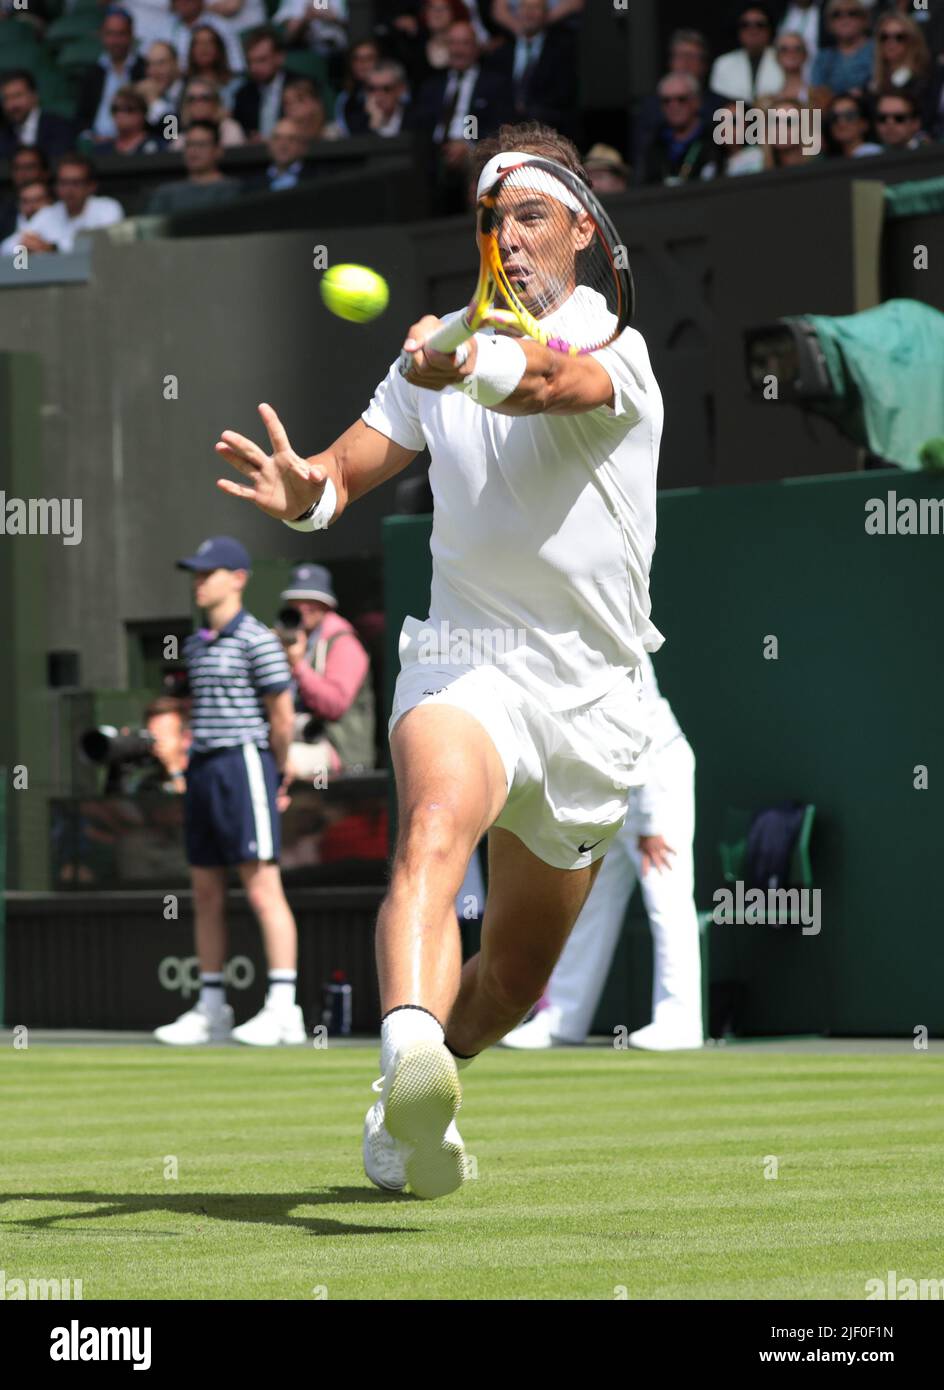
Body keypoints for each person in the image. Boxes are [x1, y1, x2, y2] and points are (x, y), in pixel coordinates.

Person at [213, 119, 664, 1199]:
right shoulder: (430, 351)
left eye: (531, 216)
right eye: (491, 219)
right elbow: (339, 474)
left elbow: (542, 387)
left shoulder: (618, 353)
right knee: (428, 831)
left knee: (507, 980)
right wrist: (303, 492)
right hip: (464, 658)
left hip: (595, 700)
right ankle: (404, 1050)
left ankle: (425, 1088)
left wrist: (467, 360)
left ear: (584, 232)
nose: (508, 238)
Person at [501, 653, 703, 1051]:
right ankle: (562, 1019)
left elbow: (639, 729)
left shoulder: (619, 641)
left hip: (658, 782)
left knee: (667, 902)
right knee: (589, 904)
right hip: (608, 788)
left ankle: (680, 1020)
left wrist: (651, 821)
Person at [154, 535, 306, 1047]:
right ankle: (212, 1005)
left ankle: (285, 1007)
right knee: (204, 891)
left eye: (208, 573)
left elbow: (281, 718)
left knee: (263, 887)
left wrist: (277, 771)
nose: (199, 582)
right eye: (195, 574)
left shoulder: (259, 641)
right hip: (204, 769)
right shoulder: (196, 644)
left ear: (238, 578)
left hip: (246, 765)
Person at [276, 563, 375, 784]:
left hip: (340, 752)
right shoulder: (291, 639)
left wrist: (298, 666)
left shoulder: (344, 643)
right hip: (299, 736)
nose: (303, 608)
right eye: (296, 601)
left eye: (312, 602)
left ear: (327, 605)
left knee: (279, 762)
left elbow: (334, 705)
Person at [409, 18, 514, 211]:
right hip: (434, 153)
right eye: (453, 43)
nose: (458, 50)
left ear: (476, 48)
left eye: (464, 43)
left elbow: (499, 127)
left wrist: (467, 143)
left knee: (478, 165)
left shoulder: (493, 84)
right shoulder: (432, 87)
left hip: (472, 151)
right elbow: (419, 126)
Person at [633, 29, 726, 175]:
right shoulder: (650, 110)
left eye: (693, 57)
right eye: (681, 56)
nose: (686, 63)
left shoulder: (721, 108)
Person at [489, 0, 578, 135]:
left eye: (536, 8)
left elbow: (563, 97)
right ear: (517, 13)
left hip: (547, 131)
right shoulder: (501, 53)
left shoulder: (562, 50)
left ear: (546, 14)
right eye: (525, 7)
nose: (529, 12)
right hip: (504, 130)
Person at [14, 154, 124, 254]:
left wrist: (53, 249)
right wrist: (27, 246)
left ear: (91, 186)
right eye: (64, 183)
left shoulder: (108, 208)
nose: (69, 190)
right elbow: (13, 246)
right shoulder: (47, 213)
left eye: (76, 183)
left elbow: (106, 246)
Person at [76, 7, 148, 142]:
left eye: (121, 34)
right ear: (102, 35)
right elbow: (81, 117)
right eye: (110, 34)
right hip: (97, 144)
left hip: (136, 144)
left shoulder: (144, 69)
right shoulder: (92, 73)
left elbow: (163, 118)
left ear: (131, 35)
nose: (115, 41)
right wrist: (90, 137)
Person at [640, 74, 718, 186]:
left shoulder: (714, 141)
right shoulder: (653, 144)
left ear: (696, 102)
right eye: (666, 100)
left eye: (681, 99)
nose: (673, 105)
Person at [147, 119, 240, 213]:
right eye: (189, 145)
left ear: (218, 150)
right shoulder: (166, 195)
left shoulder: (235, 191)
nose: (193, 151)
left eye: (201, 145)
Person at [709, 6, 785, 101]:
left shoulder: (784, 58)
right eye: (745, 25)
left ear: (770, 30)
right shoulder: (723, 63)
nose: (753, 30)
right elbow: (718, 102)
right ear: (738, 31)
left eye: (760, 25)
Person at [0, 70, 77, 162]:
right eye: (6, 98)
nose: (12, 105)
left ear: (34, 96)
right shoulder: (4, 131)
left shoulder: (59, 126)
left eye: (17, 96)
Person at [233, 26, 290, 139]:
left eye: (261, 60)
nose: (254, 68)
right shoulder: (243, 95)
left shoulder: (301, 86)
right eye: (250, 62)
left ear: (280, 57)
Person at [811, 0, 875, 96]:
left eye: (852, 13)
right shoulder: (823, 58)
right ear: (829, 24)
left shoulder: (878, 50)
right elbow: (817, 98)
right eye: (836, 15)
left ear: (865, 20)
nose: (845, 19)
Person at [869, 11, 931, 102]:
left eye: (899, 37)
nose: (890, 43)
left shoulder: (925, 80)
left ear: (912, 40)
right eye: (884, 37)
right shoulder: (875, 80)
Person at [173, 79, 246, 146]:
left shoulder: (230, 129)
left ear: (216, 102)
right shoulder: (182, 138)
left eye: (204, 98)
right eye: (192, 99)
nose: (198, 104)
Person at [242, 117, 309, 190]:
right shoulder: (252, 185)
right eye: (277, 138)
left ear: (303, 146)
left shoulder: (316, 180)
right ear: (269, 145)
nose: (283, 145)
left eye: (291, 139)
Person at [0, 145, 50, 241]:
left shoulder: (61, 208)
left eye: (29, 167)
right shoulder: (4, 212)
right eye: (17, 168)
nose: (23, 174)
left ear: (45, 172)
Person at [332, 38, 381, 137]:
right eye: (357, 59)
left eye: (369, 58)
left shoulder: (393, 90)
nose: (363, 63)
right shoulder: (345, 98)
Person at [95, 85, 164, 154]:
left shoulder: (158, 147)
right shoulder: (101, 151)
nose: (120, 114)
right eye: (115, 109)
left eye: (128, 109)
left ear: (142, 113)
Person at [136, 39, 186, 128]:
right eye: (149, 65)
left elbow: (171, 134)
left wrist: (155, 102)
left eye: (161, 63)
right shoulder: (142, 93)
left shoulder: (190, 91)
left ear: (176, 64)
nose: (154, 71)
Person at [0, 178, 55, 256]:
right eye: (26, 201)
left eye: (37, 200)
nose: (31, 206)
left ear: (49, 200)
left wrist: (49, 248)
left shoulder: (57, 217)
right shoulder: (9, 225)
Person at [362, 60, 411, 137]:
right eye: (372, 89)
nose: (378, 94)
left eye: (386, 88)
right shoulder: (356, 123)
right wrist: (375, 125)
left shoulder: (418, 119)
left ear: (401, 89)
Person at [824, 91, 881, 155]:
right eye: (834, 117)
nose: (841, 122)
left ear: (864, 124)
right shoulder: (828, 159)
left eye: (850, 116)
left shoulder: (874, 153)